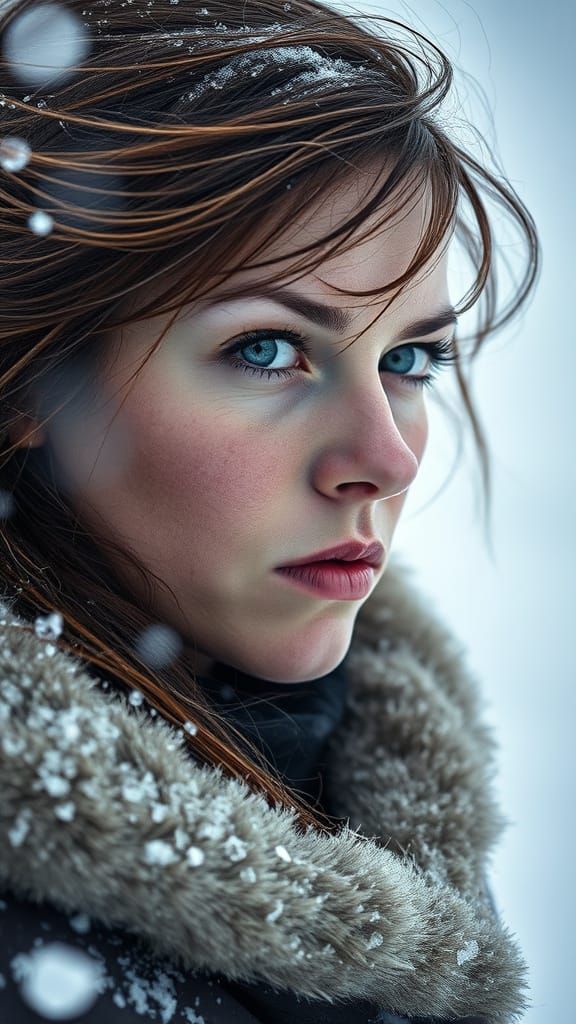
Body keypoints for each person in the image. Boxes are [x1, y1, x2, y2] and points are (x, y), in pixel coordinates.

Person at [0, 1, 539, 1021]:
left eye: (409, 359)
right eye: (266, 349)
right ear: (31, 383)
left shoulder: (364, 795)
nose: (384, 459)